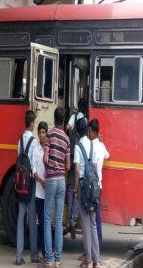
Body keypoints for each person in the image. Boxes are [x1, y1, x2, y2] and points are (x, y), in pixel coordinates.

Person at [43, 107, 70, 267]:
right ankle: (58, 259)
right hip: (62, 181)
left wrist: (50, 164)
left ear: (54, 119)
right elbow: (67, 166)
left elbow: (45, 158)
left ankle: (48, 258)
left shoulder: (50, 135)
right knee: (59, 220)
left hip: (52, 180)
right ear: (64, 120)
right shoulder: (67, 139)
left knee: (47, 219)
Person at [74, 118, 101, 268]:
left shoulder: (79, 146)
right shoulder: (92, 144)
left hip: (83, 186)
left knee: (85, 224)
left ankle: (88, 261)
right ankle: (96, 260)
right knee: (93, 223)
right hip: (93, 188)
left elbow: (77, 170)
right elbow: (96, 168)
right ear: (88, 130)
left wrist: (76, 189)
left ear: (78, 131)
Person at [15, 110, 39, 266]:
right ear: (31, 123)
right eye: (34, 122)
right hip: (30, 184)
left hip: (19, 184)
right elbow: (34, 166)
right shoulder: (34, 142)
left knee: (20, 218)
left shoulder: (20, 141)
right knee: (32, 220)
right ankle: (33, 255)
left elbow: (17, 159)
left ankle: (18, 256)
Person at [65, 98, 87, 238]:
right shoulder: (86, 120)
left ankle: (69, 221)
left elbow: (67, 127)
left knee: (71, 187)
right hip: (82, 162)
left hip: (72, 157)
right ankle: (73, 218)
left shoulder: (73, 116)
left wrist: (68, 137)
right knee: (77, 192)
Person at [88, 119, 109, 251]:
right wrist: (101, 142)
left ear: (95, 132)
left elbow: (93, 166)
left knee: (92, 220)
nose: (88, 134)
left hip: (92, 187)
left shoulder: (92, 147)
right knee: (97, 217)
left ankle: (94, 249)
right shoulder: (101, 146)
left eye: (90, 131)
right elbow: (108, 155)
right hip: (99, 186)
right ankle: (98, 246)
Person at [34, 121, 48, 259]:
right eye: (39, 132)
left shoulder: (49, 149)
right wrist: (41, 181)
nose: (41, 135)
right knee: (41, 223)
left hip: (48, 192)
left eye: (43, 132)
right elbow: (33, 171)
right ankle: (41, 251)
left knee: (46, 222)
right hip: (38, 192)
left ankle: (46, 252)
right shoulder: (36, 149)